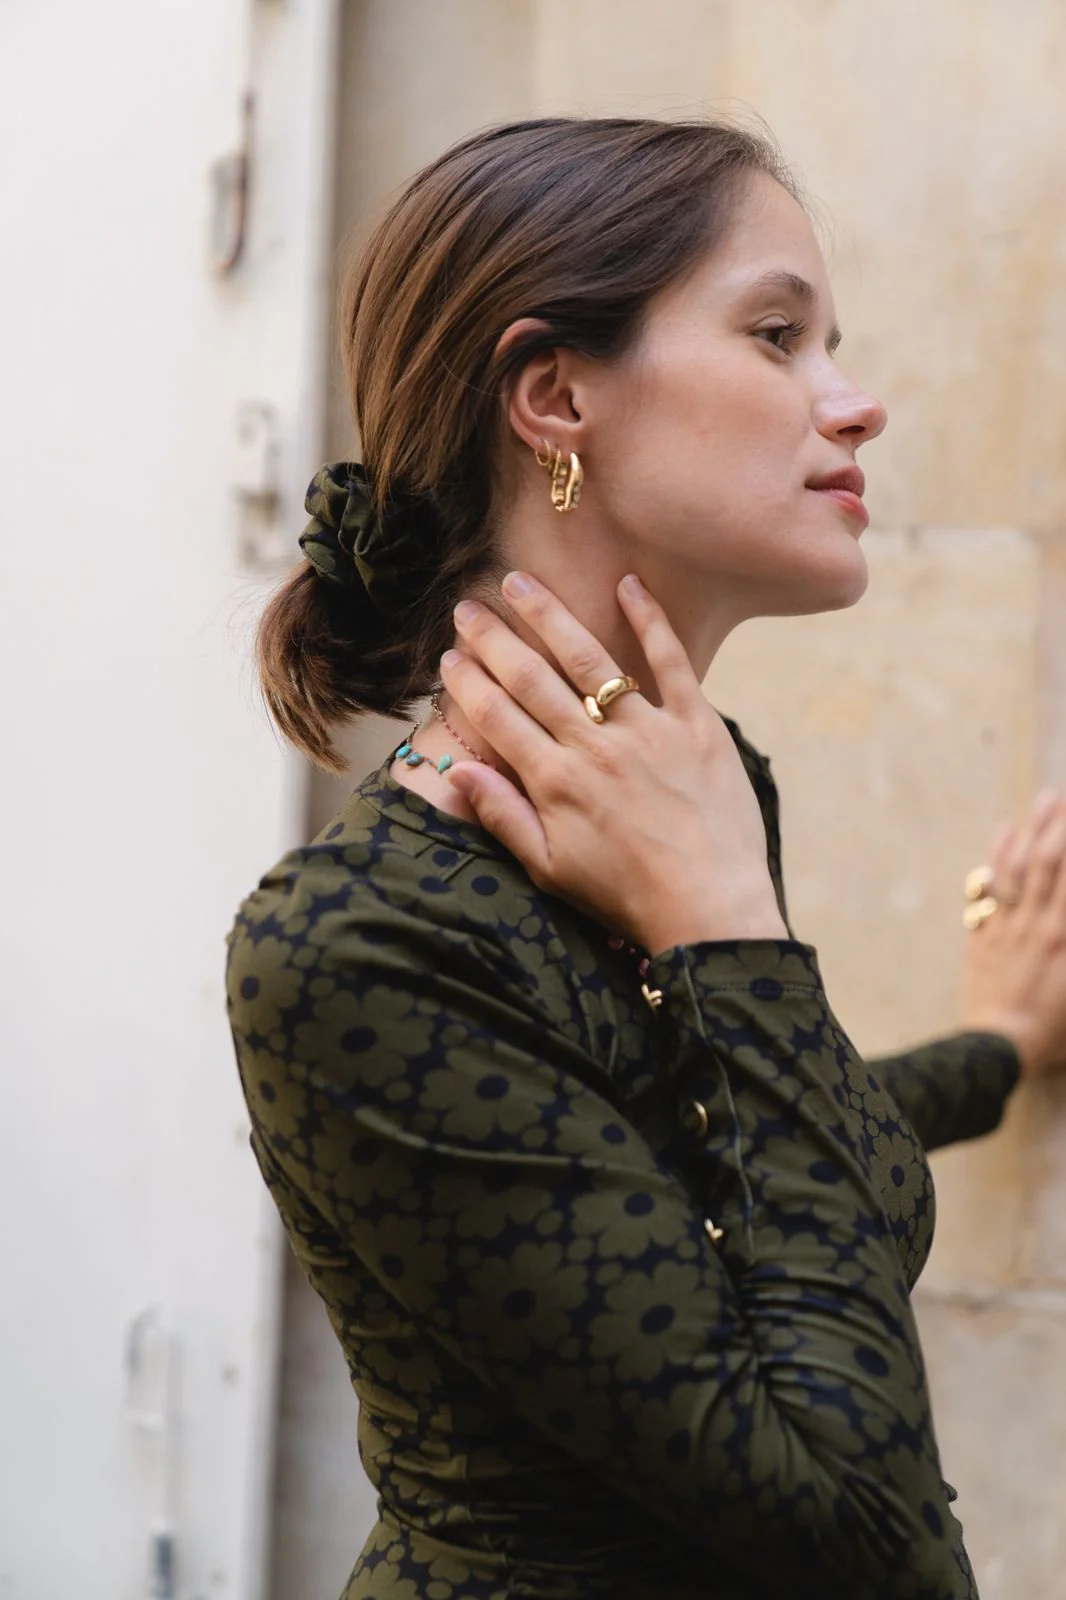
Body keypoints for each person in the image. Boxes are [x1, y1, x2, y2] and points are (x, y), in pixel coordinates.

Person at [226, 117, 1066, 1600]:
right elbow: (859, 1541)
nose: (855, 403)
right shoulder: (353, 941)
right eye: (778, 336)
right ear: (557, 397)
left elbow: (708, 1163)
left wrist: (998, 1042)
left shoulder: (690, 790)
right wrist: (728, 925)